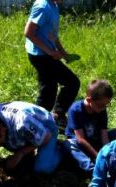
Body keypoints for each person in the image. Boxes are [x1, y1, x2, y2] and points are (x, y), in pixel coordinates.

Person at [24, 0, 80, 128]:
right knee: (57, 88)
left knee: (51, 89)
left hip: (47, 54)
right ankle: (36, 124)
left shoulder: (54, 5)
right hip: (40, 56)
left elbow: (52, 34)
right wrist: (50, 52)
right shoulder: (42, 6)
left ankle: (54, 117)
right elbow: (28, 33)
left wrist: (63, 52)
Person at [0, 101, 61, 174]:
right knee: (11, 143)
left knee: (43, 168)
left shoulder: (23, 123)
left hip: (46, 128)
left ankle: (61, 149)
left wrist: (20, 153)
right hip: (22, 129)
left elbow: (47, 138)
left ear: (2, 129)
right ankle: (30, 143)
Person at [62, 79, 116, 172]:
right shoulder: (75, 110)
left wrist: (107, 152)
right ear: (89, 100)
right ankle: (93, 169)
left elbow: (104, 134)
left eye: (107, 105)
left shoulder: (101, 109)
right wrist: (98, 156)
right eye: (102, 105)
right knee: (67, 145)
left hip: (96, 140)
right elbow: (80, 139)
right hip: (81, 145)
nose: (104, 108)